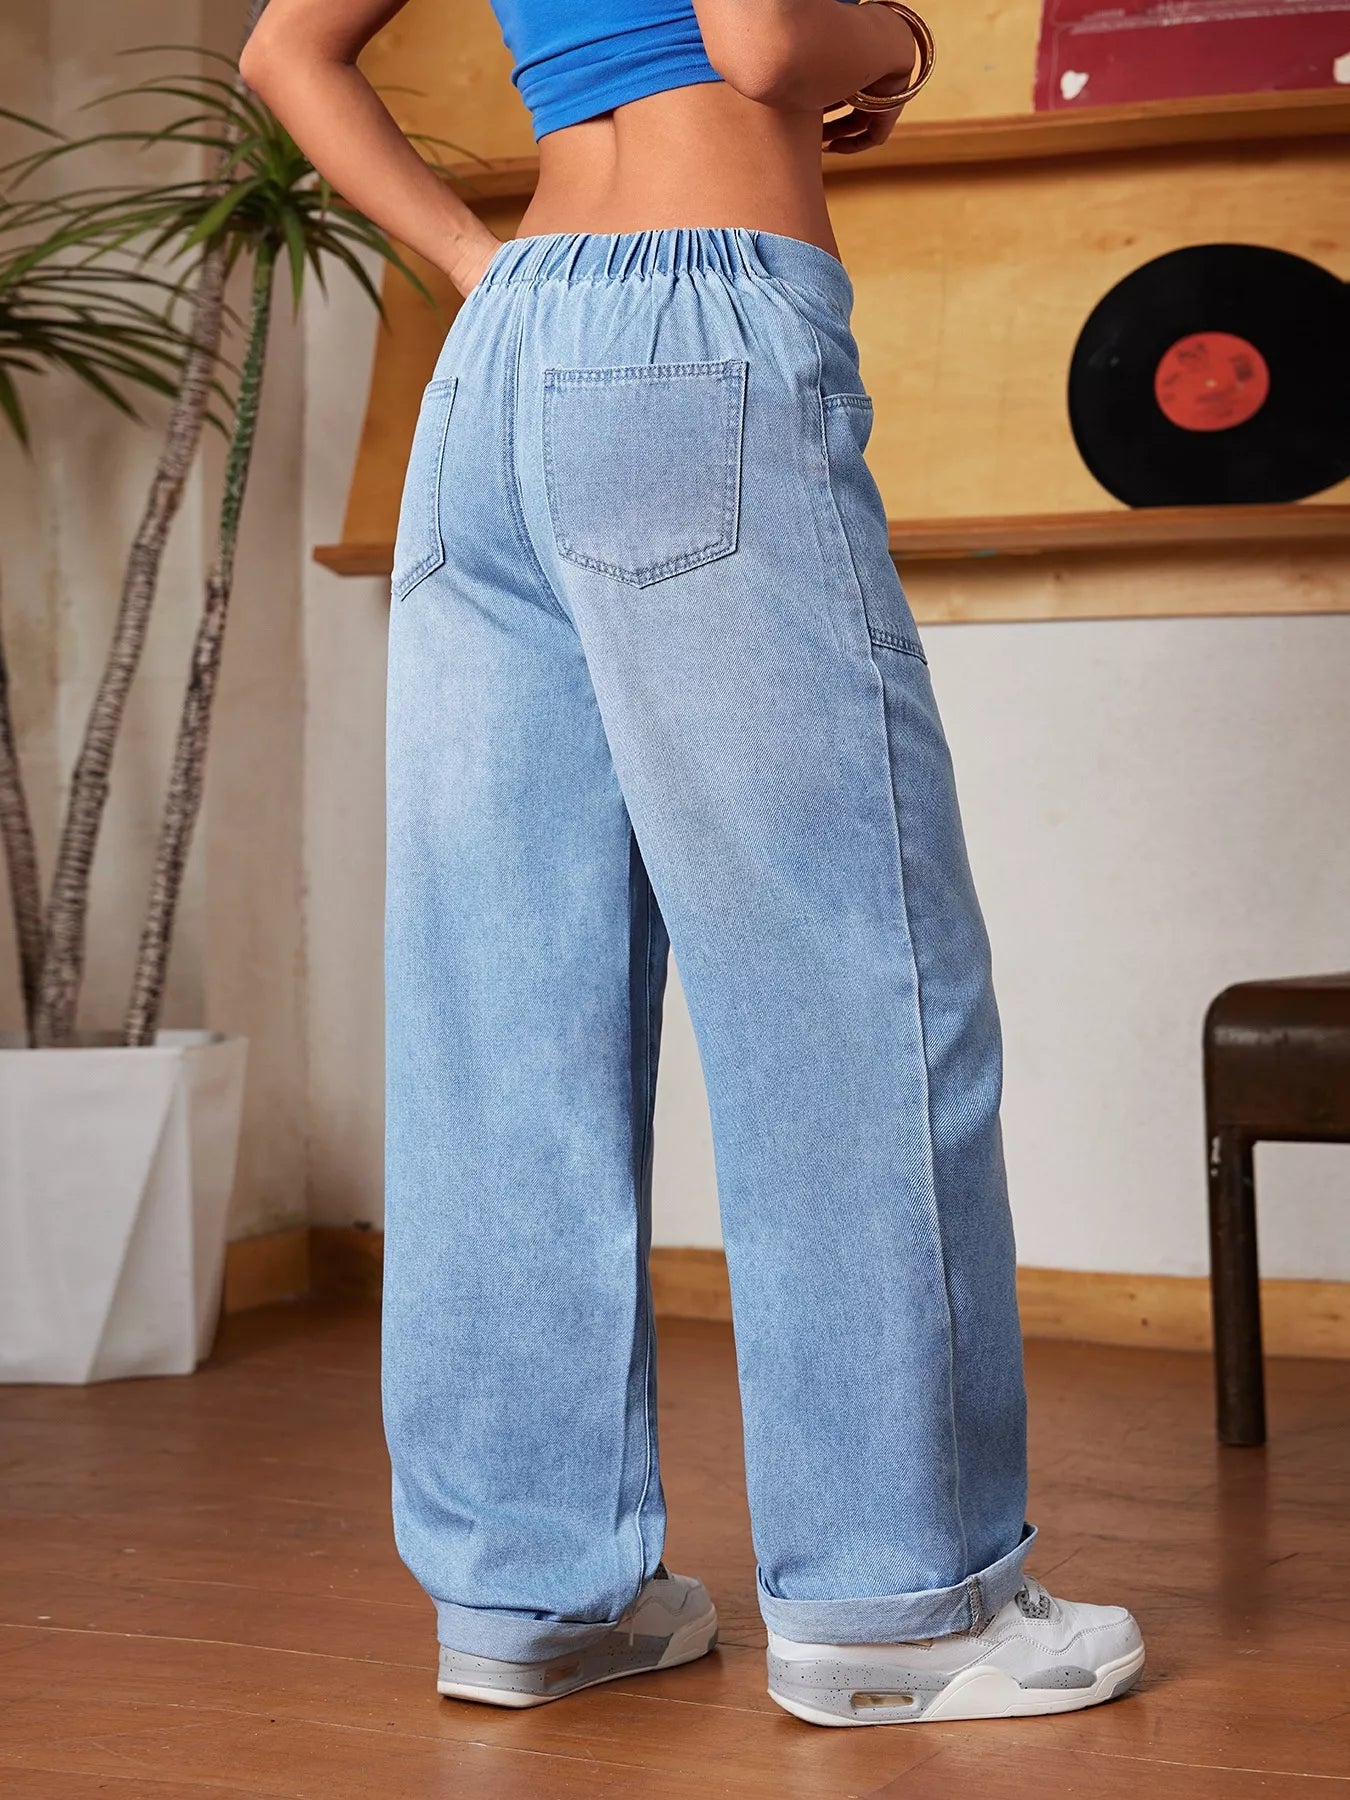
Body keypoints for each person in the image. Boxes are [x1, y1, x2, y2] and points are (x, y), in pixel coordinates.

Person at [240, 0, 1144, 1728]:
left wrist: (473, 263)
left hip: (496, 371)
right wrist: (892, 43)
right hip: (695, 321)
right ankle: (899, 1601)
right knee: (847, 973)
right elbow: (756, 40)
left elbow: (286, 52)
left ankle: (534, 1593)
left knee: (500, 995)